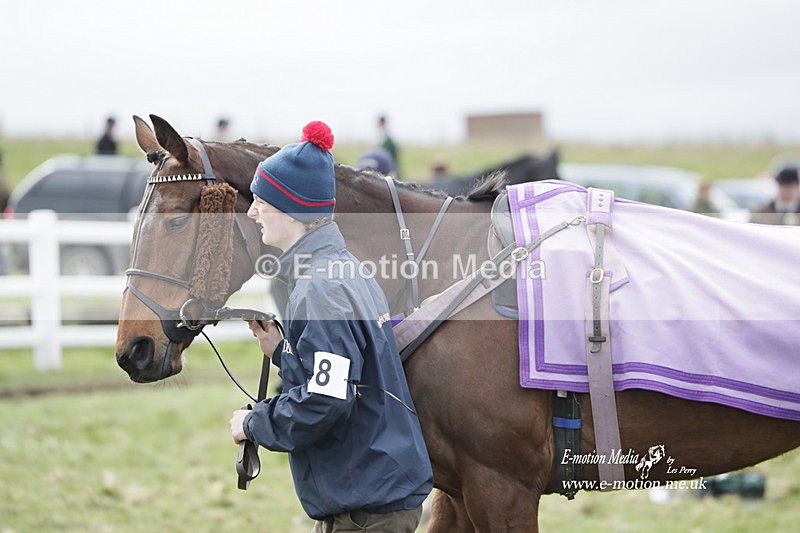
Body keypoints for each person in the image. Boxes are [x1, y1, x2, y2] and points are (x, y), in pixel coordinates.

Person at [229, 121, 433, 532]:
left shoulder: (319, 288)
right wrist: (282, 351)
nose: (252, 211)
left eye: (261, 200)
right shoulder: (340, 269)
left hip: (366, 506)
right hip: (373, 491)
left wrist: (253, 423)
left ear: (293, 210)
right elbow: (345, 373)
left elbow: (326, 400)